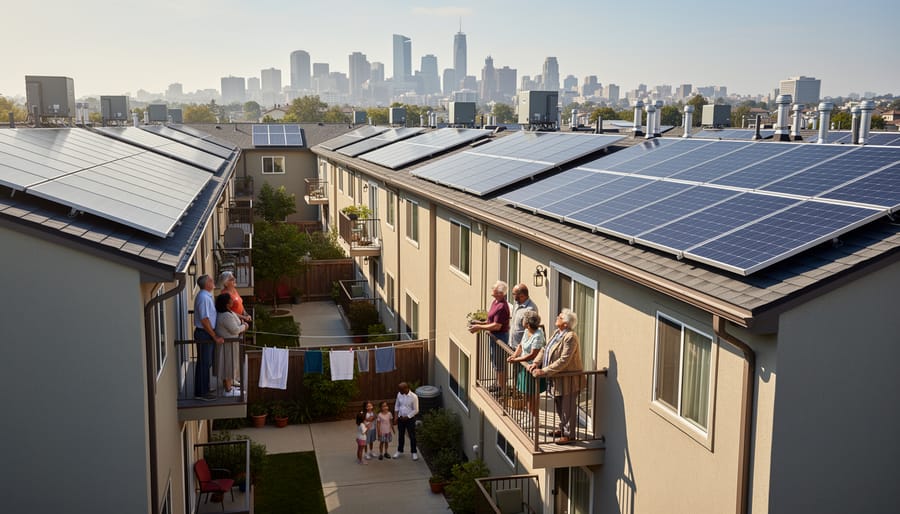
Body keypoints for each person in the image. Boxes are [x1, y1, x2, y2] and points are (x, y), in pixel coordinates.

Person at [529, 308, 583, 445]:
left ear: (565, 323)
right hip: (557, 378)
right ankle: (563, 429)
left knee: (567, 407)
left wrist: (544, 371)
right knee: (559, 404)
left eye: (560, 317)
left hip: (568, 379)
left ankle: (569, 435)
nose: (557, 317)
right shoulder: (557, 333)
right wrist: (536, 363)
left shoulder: (570, 337)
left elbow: (564, 360)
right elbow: (544, 349)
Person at [469, 281, 511, 392]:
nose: (492, 293)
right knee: (495, 361)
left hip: (500, 337)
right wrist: (479, 322)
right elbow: (490, 320)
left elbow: (497, 326)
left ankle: (502, 389)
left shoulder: (502, 307)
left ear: (501, 293)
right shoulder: (495, 302)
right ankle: (497, 383)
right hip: (494, 336)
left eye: (495, 291)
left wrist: (479, 327)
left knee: (500, 363)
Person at [508, 310, 546, 416]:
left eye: (524, 320)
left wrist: (516, 360)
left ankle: (534, 418)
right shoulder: (526, 331)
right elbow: (520, 346)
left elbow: (533, 355)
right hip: (524, 366)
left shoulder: (538, 335)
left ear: (528, 324)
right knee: (527, 394)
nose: (522, 321)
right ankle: (530, 416)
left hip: (532, 368)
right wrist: (514, 355)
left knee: (533, 395)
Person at [193, 275, 223, 401]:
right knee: (204, 363)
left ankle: (204, 389)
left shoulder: (205, 296)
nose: (213, 282)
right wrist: (214, 336)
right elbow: (204, 320)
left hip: (205, 333)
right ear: (207, 284)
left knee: (205, 363)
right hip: (204, 333)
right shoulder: (204, 298)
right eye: (211, 280)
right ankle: (201, 393)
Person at [214, 293, 247, 394]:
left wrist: (242, 320)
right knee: (228, 365)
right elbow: (235, 330)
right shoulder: (225, 316)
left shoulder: (228, 312)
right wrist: (245, 326)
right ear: (227, 304)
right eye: (230, 299)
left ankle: (228, 387)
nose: (232, 300)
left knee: (228, 364)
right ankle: (228, 390)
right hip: (228, 345)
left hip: (230, 343)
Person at [392, 382, 419, 460]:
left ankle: (414, 452)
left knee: (412, 436)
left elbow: (416, 410)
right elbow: (397, 406)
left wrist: (407, 417)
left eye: (400, 389)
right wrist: (396, 417)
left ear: (406, 388)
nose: (398, 390)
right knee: (401, 435)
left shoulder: (414, 397)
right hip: (400, 418)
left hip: (410, 419)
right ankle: (399, 451)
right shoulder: (399, 394)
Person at [509, 284, 538, 350]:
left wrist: (522, 347)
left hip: (521, 349)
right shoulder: (516, 303)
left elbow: (530, 331)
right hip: (511, 345)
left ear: (521, 296)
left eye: (514, 294)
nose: (513, 296)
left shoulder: (530, 309)